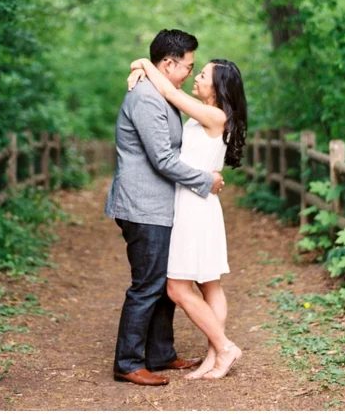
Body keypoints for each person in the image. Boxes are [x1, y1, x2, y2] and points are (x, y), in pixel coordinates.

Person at [104, 29, 226, 387]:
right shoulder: (146, 98)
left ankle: (160, 354)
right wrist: (206, 180)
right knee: (147, 284)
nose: (191, 72)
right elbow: (162, 158)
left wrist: (143, 63)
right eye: (188, 66)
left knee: (163, 281)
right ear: (168, 63)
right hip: (143, 205)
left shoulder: (161, 91)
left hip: (161, 204)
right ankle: (127, 362)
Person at [126, 53, 247, 380]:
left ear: (218, 86)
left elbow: (170, 94)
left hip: (195, 208)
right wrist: (143, 69)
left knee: (177, 288)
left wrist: (142, 64)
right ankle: (213, 358)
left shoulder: (213, 115)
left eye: (204, 74)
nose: (196, 77)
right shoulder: (207, 116)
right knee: (210, 284)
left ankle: (224, 348)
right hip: (196, 203)